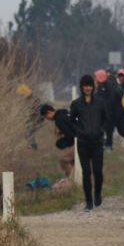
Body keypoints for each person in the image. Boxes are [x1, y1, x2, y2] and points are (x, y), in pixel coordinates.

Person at [70, 74, 107, 211]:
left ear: (93, 87)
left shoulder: (100, 102)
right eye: (85, 85)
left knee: (98, 171)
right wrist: (79, 132)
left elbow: (105, 118)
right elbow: (72, 121)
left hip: (97, 141)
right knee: (86, 172)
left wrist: (101, 130)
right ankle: (88, 201)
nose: (88, 88)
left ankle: (97, 193)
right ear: (82, 87)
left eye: (90, 85)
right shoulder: (76, 104)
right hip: (83, 142)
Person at [40, 103, 76, 178]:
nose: (48, 119)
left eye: (46, 117)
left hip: (77, 142)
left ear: (49, 112)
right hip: (82, 140)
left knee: (63, 160)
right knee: (74, 162)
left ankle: (72, 180)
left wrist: (61, 142)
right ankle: (79, 180)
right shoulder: (65, 113)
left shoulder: (59, 119)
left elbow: (69, 135)